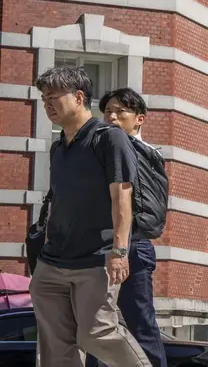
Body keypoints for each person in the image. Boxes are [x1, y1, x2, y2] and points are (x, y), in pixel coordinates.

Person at [31, 67, 150, 367]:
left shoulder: (109, 139)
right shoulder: (59, 147)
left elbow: (122, 198)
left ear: (79, 97)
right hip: (52, 262)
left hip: (95, 261)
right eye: (44, 98)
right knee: (56, 348)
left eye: (53, 97)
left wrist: (120, 252)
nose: (47, 104)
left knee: (98, 332)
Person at [97, 88, 168, 367]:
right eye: (107, 112)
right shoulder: (150, 152)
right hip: (127, 245)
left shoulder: (129, 150)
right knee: (103, 326)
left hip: (128, 246)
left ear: (139, 119)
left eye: (120, 112)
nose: (112, 117)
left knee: (137, 326)